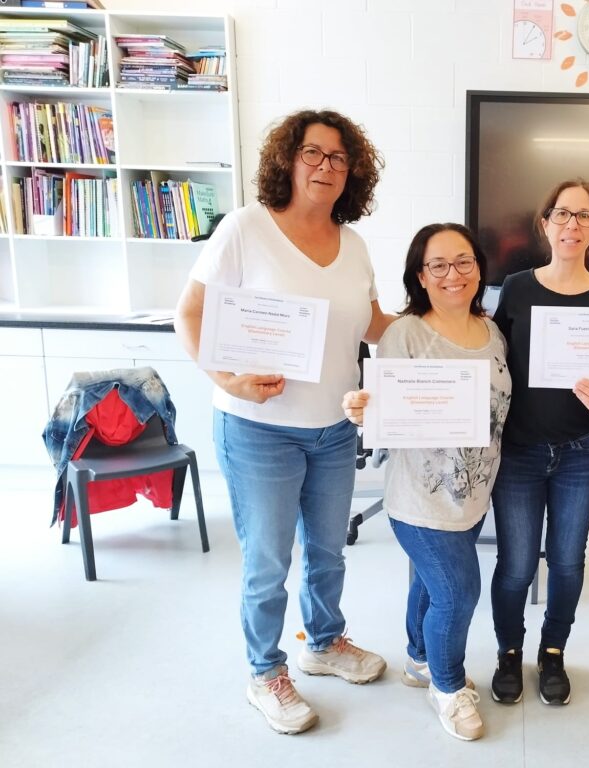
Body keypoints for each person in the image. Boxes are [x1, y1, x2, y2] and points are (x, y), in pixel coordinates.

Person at [174, 109, 393, 735]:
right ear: (288, 160)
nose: (326, 166)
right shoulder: (246, 228)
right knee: (268, 562)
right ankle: (265, 671)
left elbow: (373, 324)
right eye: (313, 153)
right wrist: (227, 379)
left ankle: (323, 643)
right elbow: (189, 314)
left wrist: (439, 318)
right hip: (257, 429)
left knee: (327, 552)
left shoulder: (354, 245)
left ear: (353, 172)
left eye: (339, 158)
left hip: (334, 429)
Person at [342, 223, 511, 742]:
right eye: (437, 265)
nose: (452, 274)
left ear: (478, 268)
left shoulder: (492, 331)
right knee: (458, 593)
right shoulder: (406, 334)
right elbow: (382, 411)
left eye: (463, 262)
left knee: (428, 583)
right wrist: (362, 410)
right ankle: (448, 685)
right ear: (420, 275)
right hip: (419, 501)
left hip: (473, 495)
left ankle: (419, 659)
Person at [488, 179, 589, 706]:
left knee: (567, 562)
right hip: (519, 453)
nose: (572, 224)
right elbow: (493, 363)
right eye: (562, 214)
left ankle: (552, 652)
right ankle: (508, 652)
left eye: (584, 215)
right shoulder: (516, 288)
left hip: (580, 454)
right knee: (517, 565)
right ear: (544, 223)